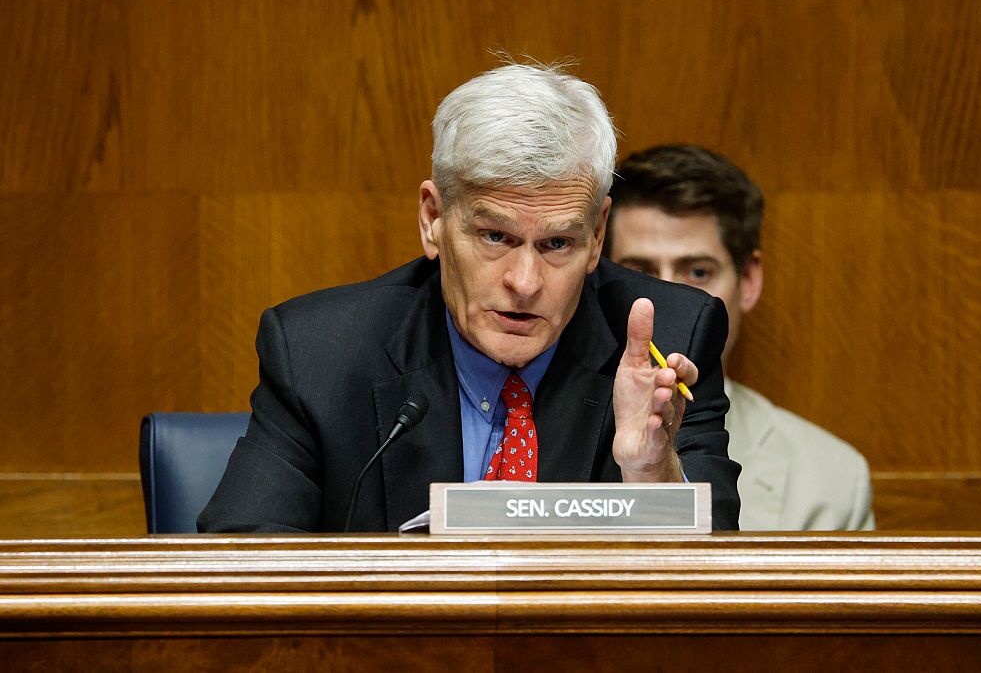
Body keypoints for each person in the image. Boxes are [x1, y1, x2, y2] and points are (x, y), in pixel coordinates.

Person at [198, 66, 740, 533]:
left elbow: (715, 596)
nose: (525, 281)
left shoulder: (670, 339)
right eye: (495, 237)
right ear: (433, 220)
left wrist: (652, 474)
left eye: (557, 243)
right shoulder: (320, 354)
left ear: (598, 234)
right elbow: (240, 562)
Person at [606, 144, 874, 531]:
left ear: (747, 281)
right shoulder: (537, 427)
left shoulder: (830, 480)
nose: (672, 300)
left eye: (697, 272)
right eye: (640, 273)